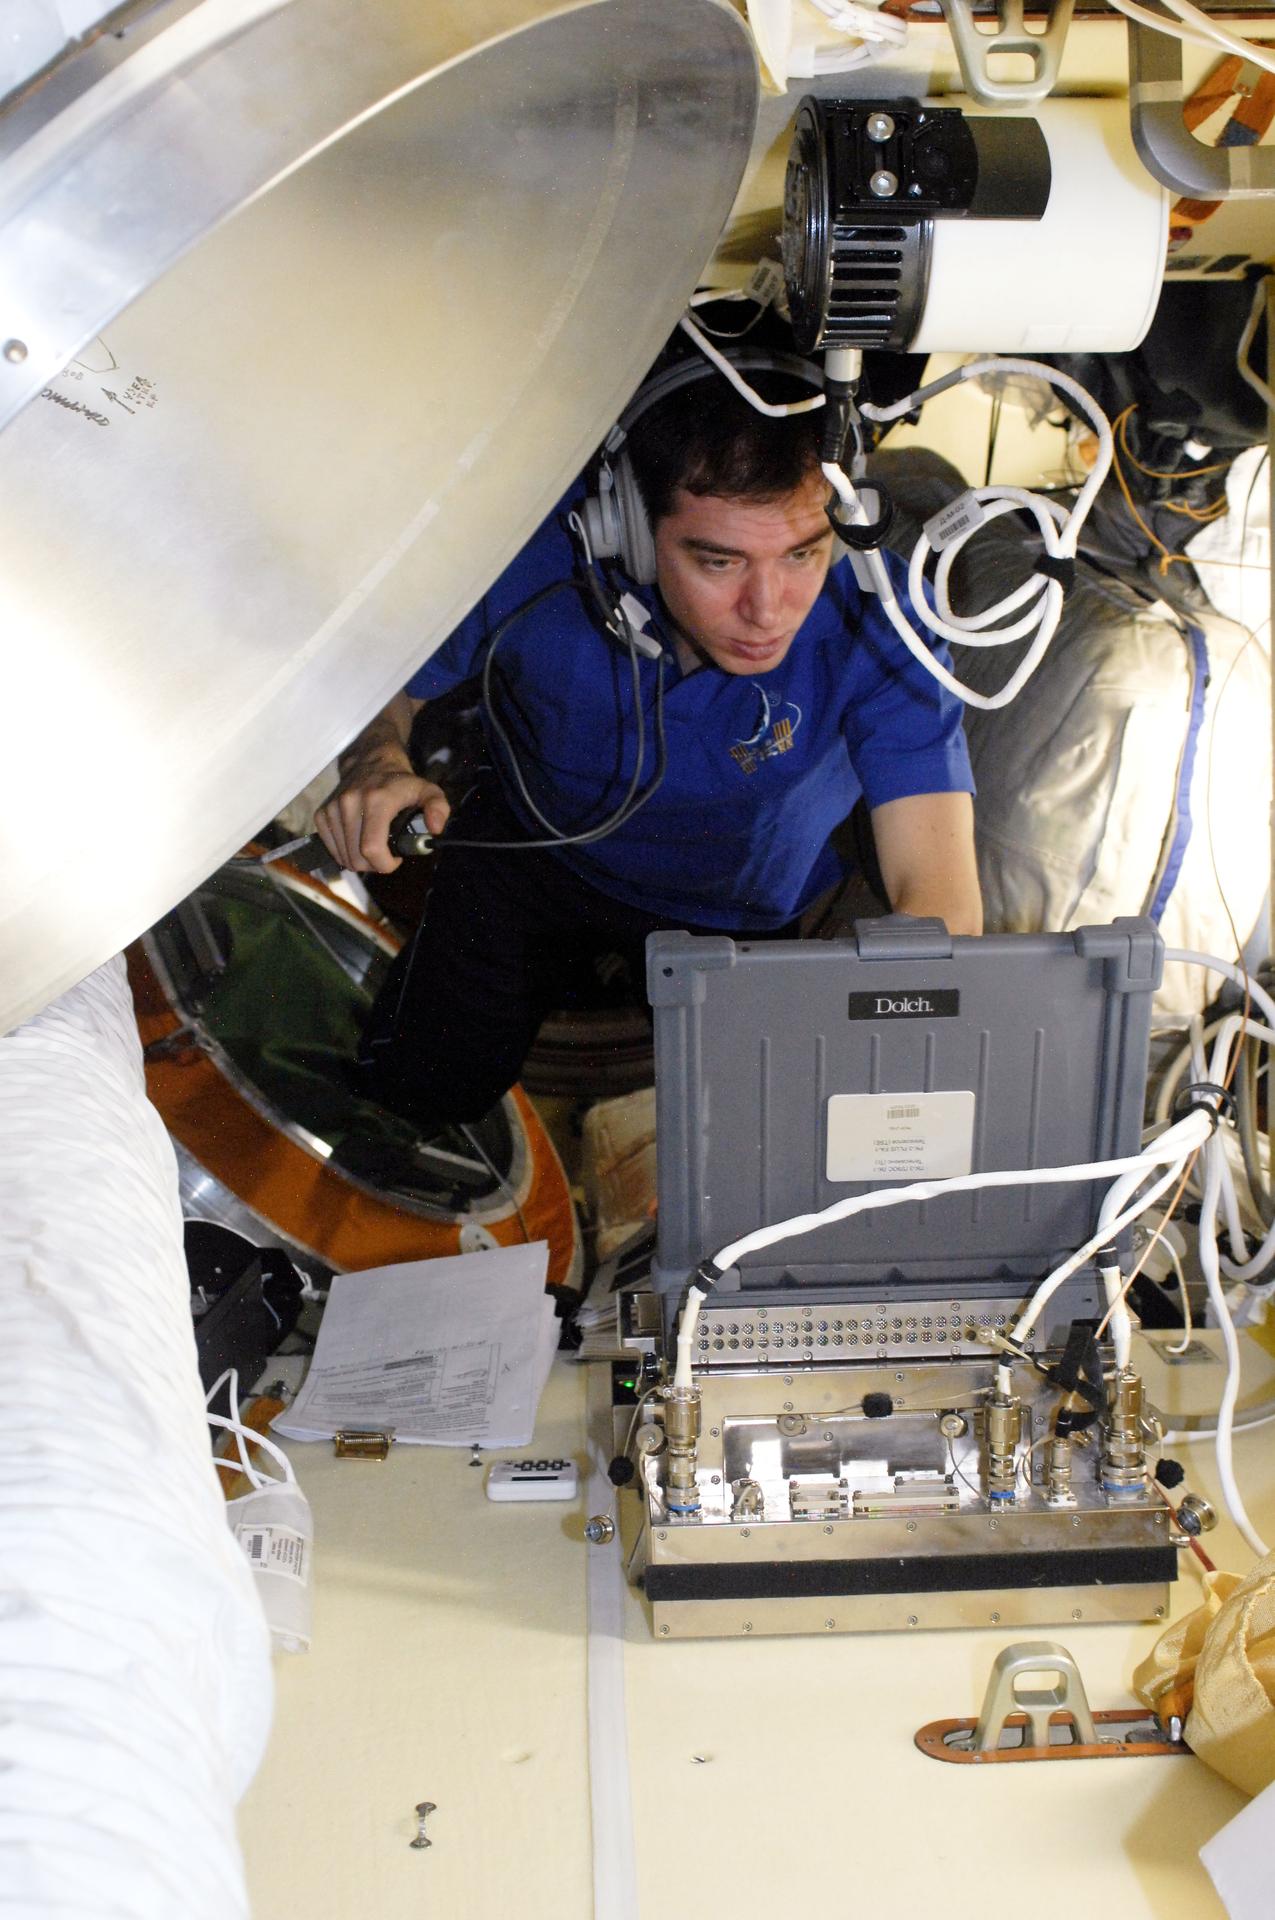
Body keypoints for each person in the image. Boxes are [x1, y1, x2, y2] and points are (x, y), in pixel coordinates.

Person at [315, 358, 982, 1131]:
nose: (767, 610)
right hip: (530, 852)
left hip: (734, 914)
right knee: (411, 1094)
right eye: (719, 561)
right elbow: (385, 673)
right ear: (626, 530)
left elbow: (938, 894)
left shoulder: (882, 614)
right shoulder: (531, 547)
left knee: (744, 1139)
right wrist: (375, 758)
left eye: (802, 553)